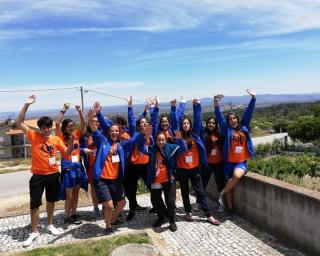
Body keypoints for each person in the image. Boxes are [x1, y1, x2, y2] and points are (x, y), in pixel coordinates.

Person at [16, 95, 74, 247]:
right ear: (39, 128)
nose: (48, 130)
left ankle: (49, 224)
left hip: (53, 174)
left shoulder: (55, 139)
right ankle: (34, 232)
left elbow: (67, 152)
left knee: (51, 201)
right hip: (38, 176)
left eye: (49, 128)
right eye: (44, 128)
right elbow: (19, 122)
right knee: (34, 204)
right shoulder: (33, 135)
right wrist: (26, 104)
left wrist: (73, 142)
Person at [87, 108, 146, 234]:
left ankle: (111, 221)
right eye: (112, 131)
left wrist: (143, 133)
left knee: (122, 202)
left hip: (115, 180)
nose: (114, 133)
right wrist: (92, 119)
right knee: (109, 205)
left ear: (119, 133)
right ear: (109, 132)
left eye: (116, 131)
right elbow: (95, 130)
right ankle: (108, 227)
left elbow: (133, 141)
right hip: (102, 179)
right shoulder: (102, 141)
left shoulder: (121, 145)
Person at [175, 108, 221, 225]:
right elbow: (181, 149)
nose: (185, 125)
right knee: (185, 192)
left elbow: (198, 119)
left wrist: (197, 107)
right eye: (183, 123)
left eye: (187, 123)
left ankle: (209, 215)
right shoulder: (177, 137)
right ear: (181, 125)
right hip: (182, 169)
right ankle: (188, 212)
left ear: (190, 125)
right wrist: (175, 107)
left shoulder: (195, 135)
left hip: (194, 168)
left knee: (200, 192)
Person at [214, 88, 256, 213]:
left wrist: (253, 99)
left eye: (234, 118)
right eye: (230, 119)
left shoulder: (244, 127)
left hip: (240, 161)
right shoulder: (226, 129)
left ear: (237, 119)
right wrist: (216, 103)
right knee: (230, 187)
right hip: (228, 162)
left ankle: (221, 193)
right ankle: (230, 209)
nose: (233, 120)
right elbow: (219, 117)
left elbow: (249, 112)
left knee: (237, 176)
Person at [140, 128, 186, 232]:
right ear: (155, 141)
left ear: (166, 140)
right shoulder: (152, 148)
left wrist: (180, 139)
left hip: (168, 179)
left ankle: (172, 221)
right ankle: (161, 217)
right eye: (159, 140)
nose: (161, 142)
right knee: (155, 201)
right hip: (156, 180)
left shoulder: (171, 147)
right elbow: (140, 148)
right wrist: (144, 137)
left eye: (163, 140)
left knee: (170, 201)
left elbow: (183, 149)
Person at [55, 103, 88, 228]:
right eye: (69, 126)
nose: (71, 128)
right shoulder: (60, 137)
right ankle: (66, 216)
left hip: (78, 166)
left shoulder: (76, 136)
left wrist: (79, 111)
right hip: (68, 167)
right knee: (68, 195)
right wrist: (63, 110)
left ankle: (74, 214)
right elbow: (57, 123)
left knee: (75, 193)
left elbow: (84, 123)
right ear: (64, 128)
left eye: (72, 126)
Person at [192, 99, 225, 210]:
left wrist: (216, 105)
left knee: (221, 184)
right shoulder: (202, 133)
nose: (211, 124)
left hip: (219, 163)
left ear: (216, 125)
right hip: (207, 164)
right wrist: (197, 107)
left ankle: (221, 204)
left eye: (213, 123)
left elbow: (221, 119)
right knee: (202, 184)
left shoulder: (220, 134)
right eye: (209, 123)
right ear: (206, 124)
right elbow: (197, 120)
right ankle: (198, 202)